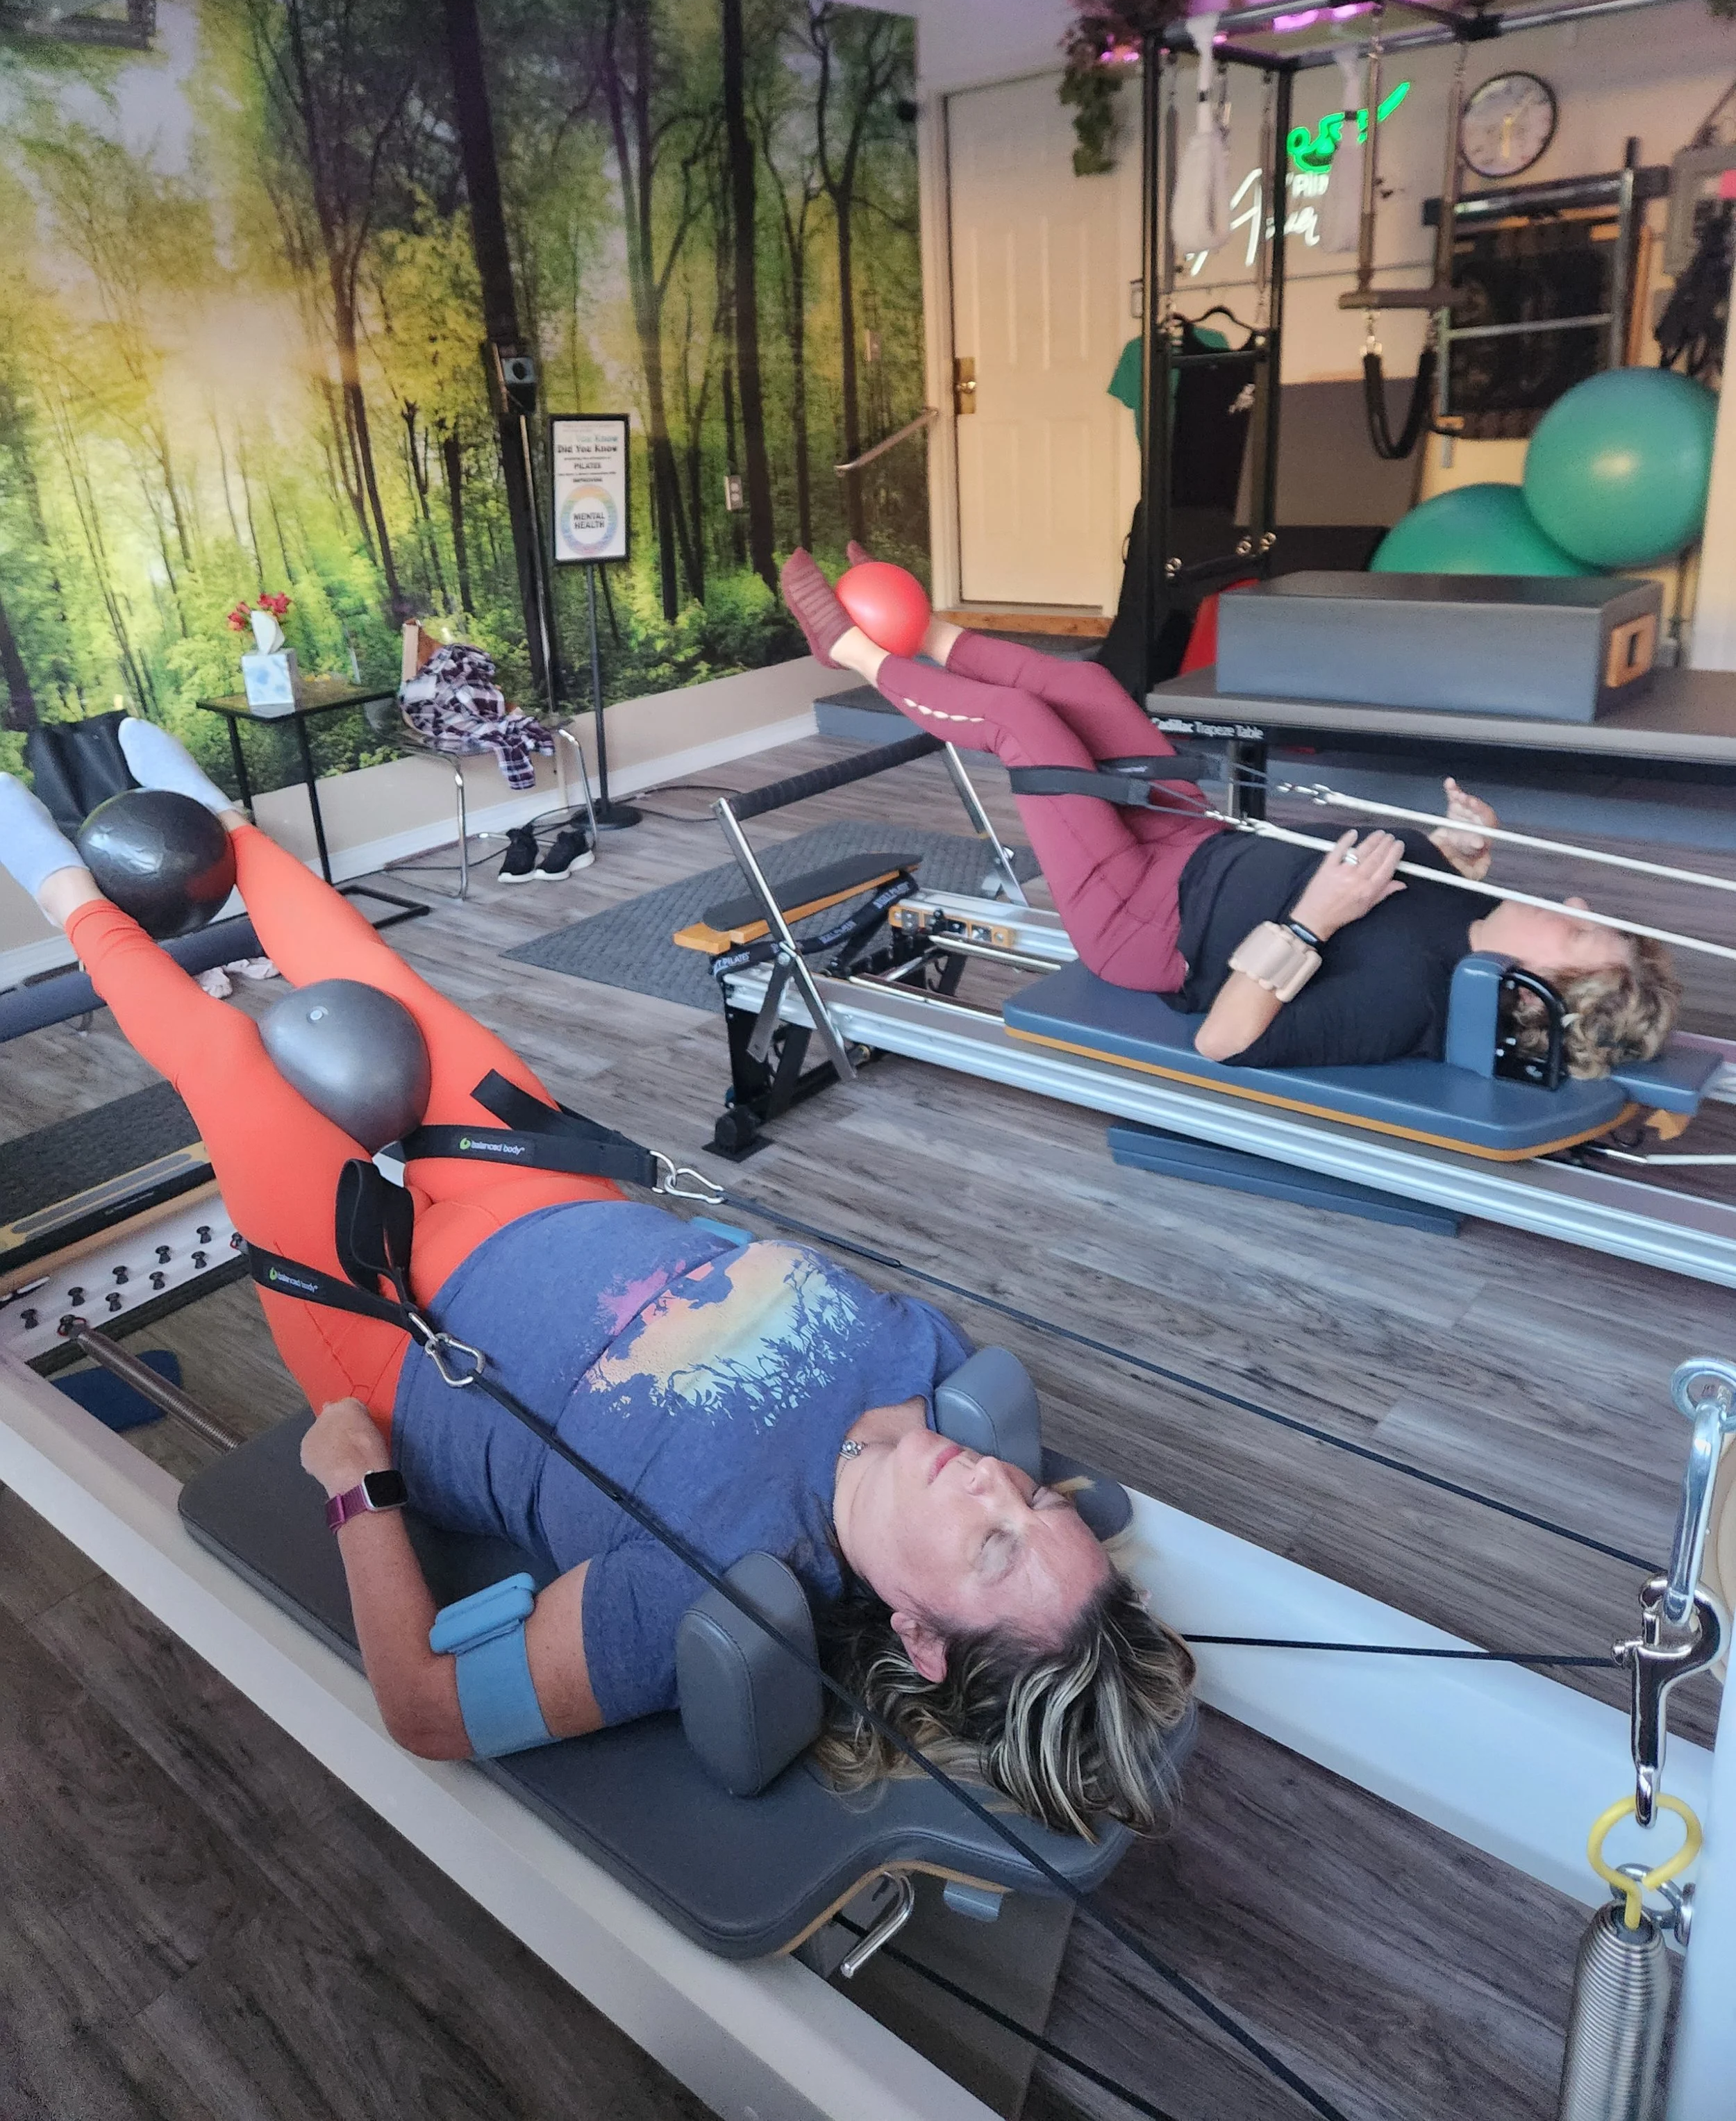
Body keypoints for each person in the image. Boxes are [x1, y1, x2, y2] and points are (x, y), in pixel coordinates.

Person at [0, 729, 1194, 1838]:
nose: (997, 1484)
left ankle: (56, 884)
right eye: (1035, 1509)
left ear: (920, 1640)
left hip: (389, 1326)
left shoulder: (714, 1581)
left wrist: (358, 1494)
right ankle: (224, 827)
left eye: (990, 1545)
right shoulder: (927, 1364)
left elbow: (425, 1708)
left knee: (229, 1058)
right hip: (555, 1196)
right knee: (387, 987)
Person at [782, 552, 1680, 1079]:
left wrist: (1312, 919)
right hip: (1197, 840)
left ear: (1541, 990)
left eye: (1582, 939)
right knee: (1088, 684)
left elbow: (1226, 1039)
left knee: (1025, 729)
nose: (1584, 911)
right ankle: (924, 632)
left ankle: (853, 650)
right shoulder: (1475, 914)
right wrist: (1461, 851)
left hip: (1142, 919)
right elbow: (1421, 902)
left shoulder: (1407, 1003)